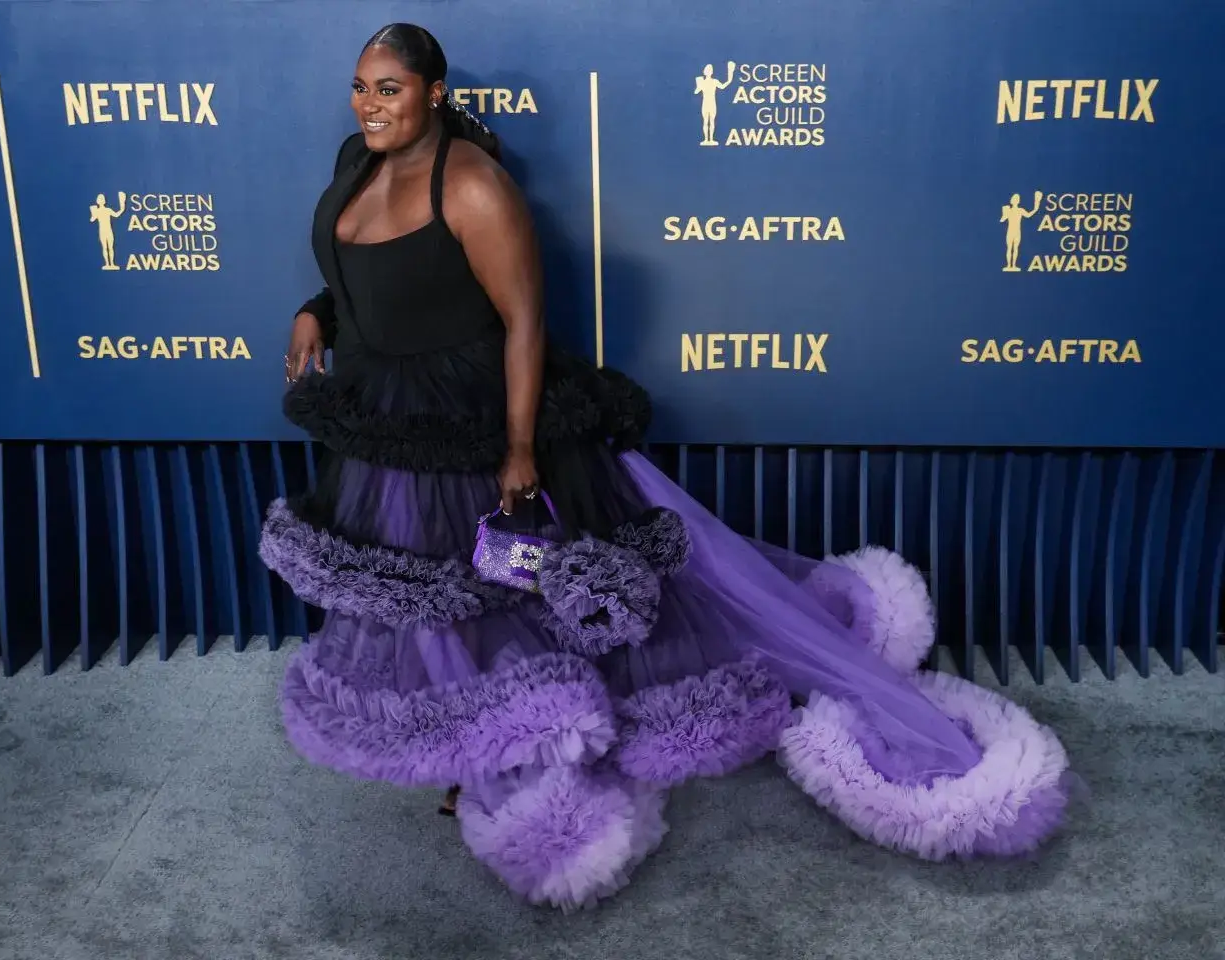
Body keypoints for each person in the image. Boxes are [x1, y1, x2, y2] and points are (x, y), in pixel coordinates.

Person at [261, 22, 1073, 911]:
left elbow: (523, 322)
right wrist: (317, 314)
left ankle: (518, 754)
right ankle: (469, 746)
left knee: (501, 595)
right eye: (361, 87)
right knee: (427, 595)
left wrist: (522, 449)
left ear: (435, 93)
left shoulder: (477, 187)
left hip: (473, 419)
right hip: (382, 421)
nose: (369, 105)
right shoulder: (358, 159)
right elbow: (365, 274)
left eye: (389, 90)